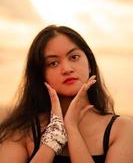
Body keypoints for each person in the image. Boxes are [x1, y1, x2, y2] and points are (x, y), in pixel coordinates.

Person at [0, 25, 133, 163]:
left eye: (74, 57)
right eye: (54, 63)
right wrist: (54, 137)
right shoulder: (19, 131)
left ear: (89, 64)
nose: (67, 69)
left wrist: (71, 128)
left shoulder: (122, 129)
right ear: (41, 75)